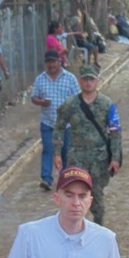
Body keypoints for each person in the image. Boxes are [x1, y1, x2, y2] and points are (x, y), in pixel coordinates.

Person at [56, 63, 124, 218]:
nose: (88, 82)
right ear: (80, 81)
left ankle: (98, 230)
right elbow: (58, 128)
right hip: (76, 157)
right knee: (75, 194)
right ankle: (76, 228)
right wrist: (57, 153)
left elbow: (115, 132)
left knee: (97, 196)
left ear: (97, 81)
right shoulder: (70, 104)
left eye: (91, 79)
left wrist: (115, 158)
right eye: (85, 79)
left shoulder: (107, 104)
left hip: (99, 159)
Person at [26, 44, 82, 190]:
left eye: (54, 61)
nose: (51, 64)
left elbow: (78, 99)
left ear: (59, 62)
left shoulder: (69, 78)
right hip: (47, 122)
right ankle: (46, 179)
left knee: (65, 151)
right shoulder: (40, 79)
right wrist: (41, 102)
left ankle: (64, 179)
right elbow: (33, 97)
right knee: (48, 149)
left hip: (66, 124)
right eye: (49, 62)